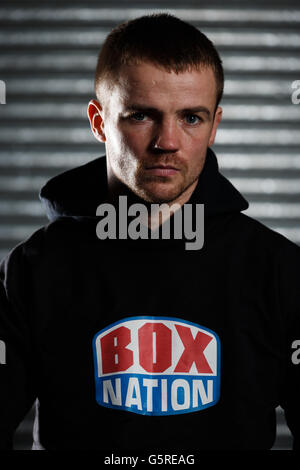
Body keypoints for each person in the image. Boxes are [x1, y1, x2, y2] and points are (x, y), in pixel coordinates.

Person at [0, 13, 300, 451]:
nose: (168, 141)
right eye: (142, 115)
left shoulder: (278, 269)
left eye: (191, 118)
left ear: (215, 124)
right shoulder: (33, 270)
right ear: (99, 121)